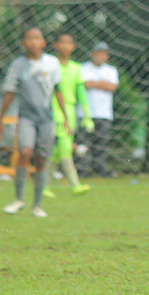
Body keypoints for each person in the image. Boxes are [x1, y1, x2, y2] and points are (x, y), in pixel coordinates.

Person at [0, 27, 70, 218]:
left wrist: (65, 118)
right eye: (29, 38)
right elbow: (9, 93)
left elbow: (58, 91)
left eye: (37, 38)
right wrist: (1, 119)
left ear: (43, 42)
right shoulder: (17, 65)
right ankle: (18, 199)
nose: (33, 42)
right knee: (25, 151)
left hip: (46, 118)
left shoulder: (52, 63)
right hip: (26, 117)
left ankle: (37, 205)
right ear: (23, 43)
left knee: (41, 158)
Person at [49, 32, 93, 194]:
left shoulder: (76, 68)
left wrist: (87, 114)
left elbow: (81, 91)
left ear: (73, 46)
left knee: (56, 152)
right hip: (53, 110)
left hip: (70, 111)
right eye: (62, 42)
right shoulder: (51, 66)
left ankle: (44, 186)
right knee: (65, 147)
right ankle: (75, 184)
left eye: (69, 43)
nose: (66, 46)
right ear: (56, 45)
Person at [79, 41, 119, 177]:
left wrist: (93, 83)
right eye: (99, 53)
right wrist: (102, 84)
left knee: (102, 143)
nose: (101, 56)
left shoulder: (111, 70)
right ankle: (82, 170)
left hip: (104, 113)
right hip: (85, 113)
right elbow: (84, 84)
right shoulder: (82, 68)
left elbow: (112, 86)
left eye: (104, 53)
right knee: (84, 142)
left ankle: (100, 170)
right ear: (92, 54)